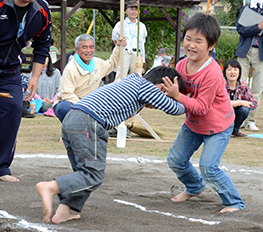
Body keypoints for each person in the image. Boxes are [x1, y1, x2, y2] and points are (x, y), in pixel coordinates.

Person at [35, 66, 186, 224]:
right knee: (93, 175)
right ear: (162, 87)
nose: (156, 105)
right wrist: (180, 98)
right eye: (167, 95)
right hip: (89, 122)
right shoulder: (146, 87)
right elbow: (175, 109)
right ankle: (51, 187)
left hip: (73, 118)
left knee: (82, 172)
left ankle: (63, 211)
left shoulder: (132, 81)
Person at [162, 13, 246, 213]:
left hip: (219, 126)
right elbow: (179, 93)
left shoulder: (213, 72)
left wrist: (177, 96)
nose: (191, 45)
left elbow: (201, 107)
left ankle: (234, 202)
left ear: (211, 45)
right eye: (188, 39)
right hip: (194, 123)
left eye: (198, 41)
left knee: (209, 167)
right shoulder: (181, 65)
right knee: (175, 160)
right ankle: (194, 187)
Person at [0, 0, 52, 184]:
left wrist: (35, 77)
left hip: (10, 69)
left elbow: (43, 44)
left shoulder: (42, 10)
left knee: (14, 108)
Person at [53, 34, 127, 122]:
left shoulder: (97, 63)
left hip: (91, 103)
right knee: (64, 108)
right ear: (76, 49)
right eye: (84, 47)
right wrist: (84, 107)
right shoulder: (70, 69)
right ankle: (68, 131)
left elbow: (112, 64)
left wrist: (118, 47)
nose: (88, 51)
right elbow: (66, 94)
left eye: (91, 47)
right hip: (73, 103)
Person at [235, 0, 263, 132]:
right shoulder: (247, 7)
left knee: (257, 87)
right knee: (239, 85)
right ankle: (238, 119)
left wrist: (258, 27)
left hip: (262, 51)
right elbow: (241, 29)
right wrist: (257, 27)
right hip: (245, 50)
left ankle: (251, 120)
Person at [112, 0, 147, 81]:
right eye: (131, 9)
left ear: (138, 12)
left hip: (137, 54)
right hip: (124, 53)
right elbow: (114, 39)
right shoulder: (120, 24)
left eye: (135, 10)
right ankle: (117, 92)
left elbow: (143, 39)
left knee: (136, 78)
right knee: (120, 77)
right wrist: (118, 42)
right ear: (127, 11)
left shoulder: (142, 26)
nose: (133, 12)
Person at [224, 59, 258, 137]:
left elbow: (254, 103)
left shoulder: (243, 85)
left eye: (235, 70)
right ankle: (223, 129)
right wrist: (240, 102)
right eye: (229, 70)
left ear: (239, 72)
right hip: (222, 113)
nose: (232, 72)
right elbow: (219, 103)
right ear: (225, 72)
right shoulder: (221, 85)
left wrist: (245, 104)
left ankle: (235, 130)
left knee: (244, 110)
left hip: (236, 112)